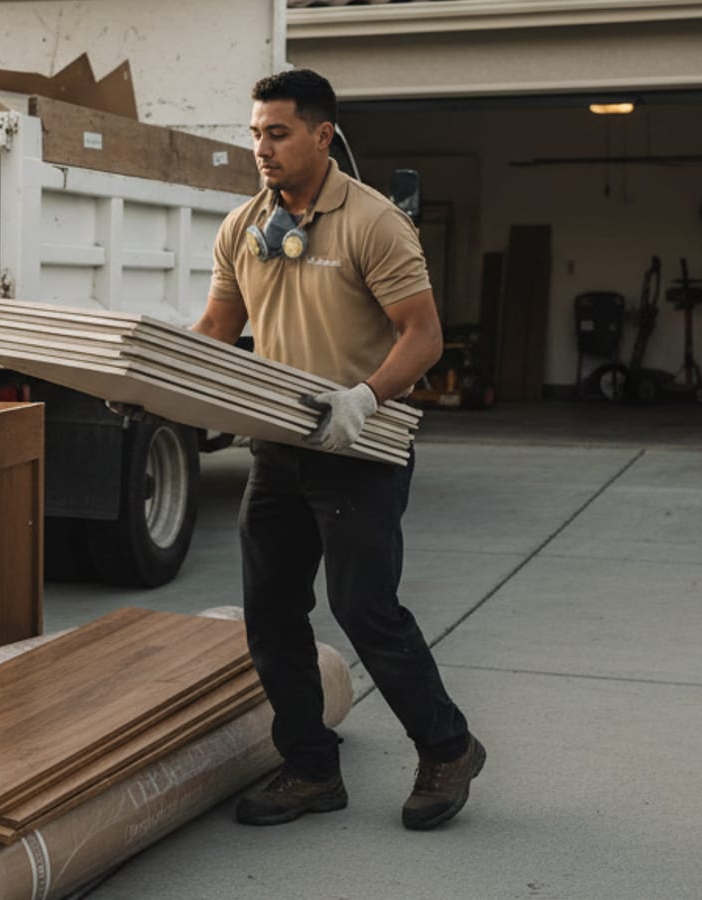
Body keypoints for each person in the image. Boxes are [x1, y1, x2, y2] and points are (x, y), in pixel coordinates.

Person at [120, 68, 483, 831]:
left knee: (364, 608)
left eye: (277, 132)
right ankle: (312, 768)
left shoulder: (374, 223)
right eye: (255, 132)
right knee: (272, 612)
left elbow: (425, 336)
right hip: (279, 446)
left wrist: (365, 397)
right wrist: (149, 380)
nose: (261, 147)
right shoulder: (244, 226)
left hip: (362, 445)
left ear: (322, 135)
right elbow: (218, 330)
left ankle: (448, 747)